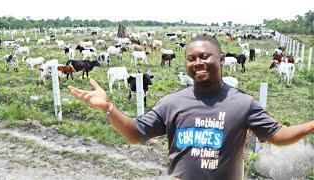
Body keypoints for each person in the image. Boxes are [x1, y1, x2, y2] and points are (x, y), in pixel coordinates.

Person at [68, 35, 314, 180]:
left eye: (205, 56)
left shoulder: (243, 103)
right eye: (191, 58)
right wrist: (109, 108)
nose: (198, 63)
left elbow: (277, 136)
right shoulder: (172, 102)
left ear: (221, 59)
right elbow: (135, 133)